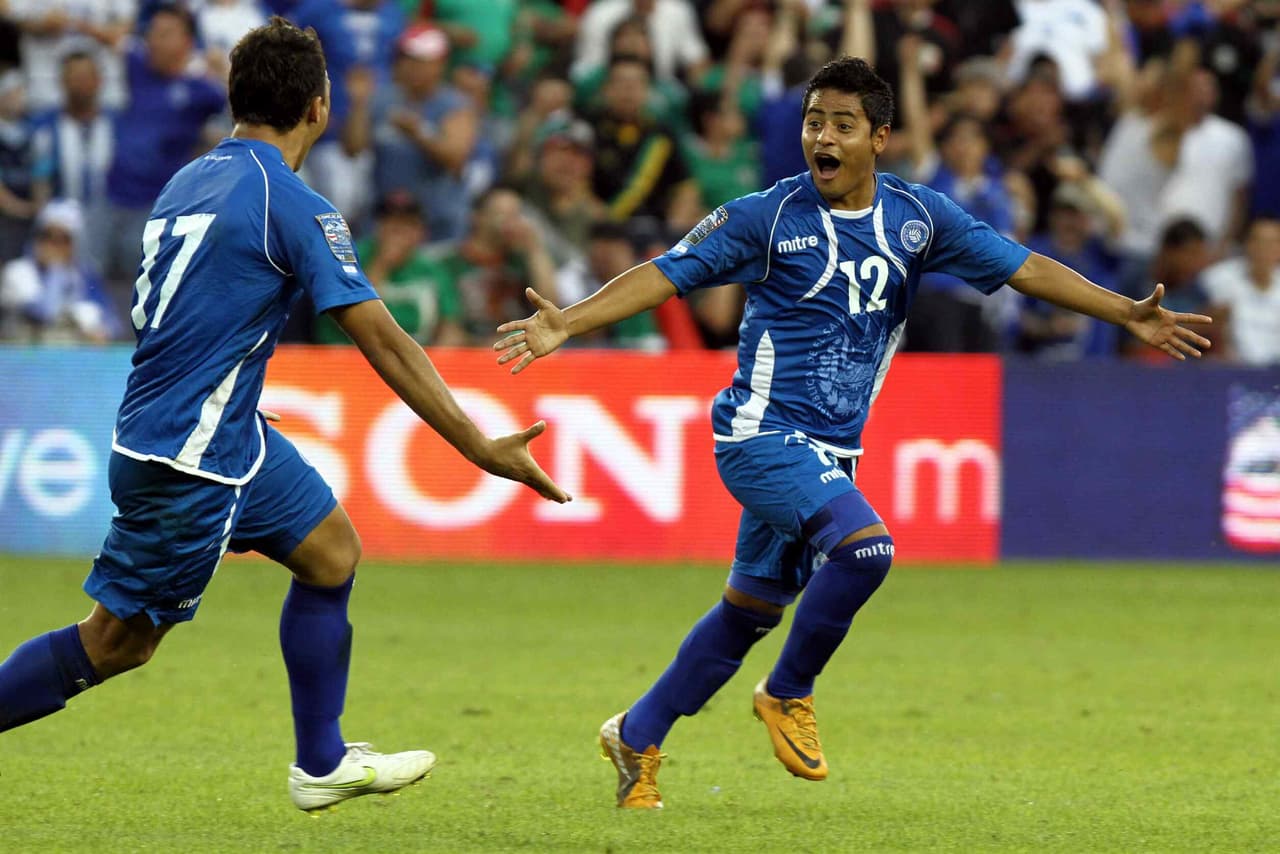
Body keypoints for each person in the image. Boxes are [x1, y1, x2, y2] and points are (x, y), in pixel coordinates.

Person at [493, 56, 1211, 810]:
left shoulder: (919, 219)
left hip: (832, 449)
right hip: (760, 435)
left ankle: (637, 734)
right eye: (813, 122)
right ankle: (788, 692)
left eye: (842, 124)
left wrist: (1124, 311)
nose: (822, 138)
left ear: (880, 138)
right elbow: (668, 272)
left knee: (750, 613)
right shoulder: (764, 217)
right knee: (866, 549)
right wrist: (568, 322)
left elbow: (1023, 268)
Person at [0, 18, 568, 815]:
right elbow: (383, 338)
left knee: (331, 550)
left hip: (210, 435)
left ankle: (321, 762)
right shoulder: (292, 201)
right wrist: (476, 443)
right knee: (117, 643)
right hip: (191, 457)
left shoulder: (186, 182)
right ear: (318, 107)